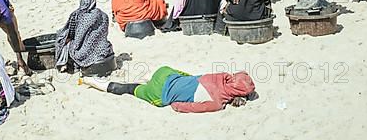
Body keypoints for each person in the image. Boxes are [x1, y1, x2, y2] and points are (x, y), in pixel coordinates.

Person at [81, 66, 256, 113]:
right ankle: (89, 81)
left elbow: (192, 76)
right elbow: (180, 107)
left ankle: (148, 77)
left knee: (185, 76)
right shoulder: (217, 103)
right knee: (129, 89)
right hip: (160, 95)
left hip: (166, 73)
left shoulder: (220, 76)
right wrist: (176, 102)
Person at [55, 0, 114, 72]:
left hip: (85, 52)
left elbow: (77, 38)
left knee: (62, 43)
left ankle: (63, 65)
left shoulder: (81, 16)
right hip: (104, 48)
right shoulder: (104, 15)